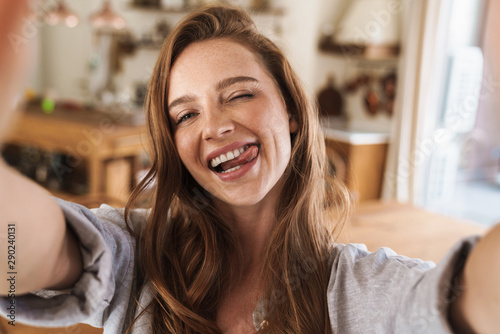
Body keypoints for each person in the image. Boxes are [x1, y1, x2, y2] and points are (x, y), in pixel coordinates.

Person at [1, 2, 499, 334]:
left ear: (293, 115)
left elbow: (479, 297)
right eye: (186, 114)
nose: (214, 126)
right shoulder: (139, 255)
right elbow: (18, 250)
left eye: (239, 94)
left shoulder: (361, 291)